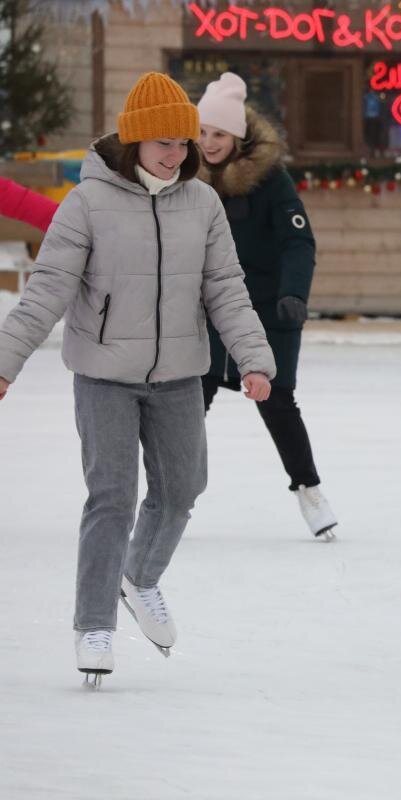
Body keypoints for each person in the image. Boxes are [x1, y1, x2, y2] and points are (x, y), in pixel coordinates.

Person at [0, 72, 275, 687]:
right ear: (134, 142)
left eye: (184, 143)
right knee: (112, 497)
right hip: (104, 375)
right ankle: (94, 623)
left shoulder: (201, 203)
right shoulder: (88, 204)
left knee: (183, 487)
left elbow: (226, 287)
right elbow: (46, 291)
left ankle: (139, 576)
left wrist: (254, 359)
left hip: (179, 373)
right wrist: (5, 362)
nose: (177, 154)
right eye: (164, 144)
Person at [195, 72, 336, 539]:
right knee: (189, 403)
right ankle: (173, 493)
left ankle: (308, 490)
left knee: (277, 402)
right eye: (202, 132)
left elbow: (299, 241)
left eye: (218, 134)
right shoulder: (186, 177)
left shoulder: (271, 179)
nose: (208, 142)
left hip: (268, 307)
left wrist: (294, 294)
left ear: (238, 136)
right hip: (208, 308)